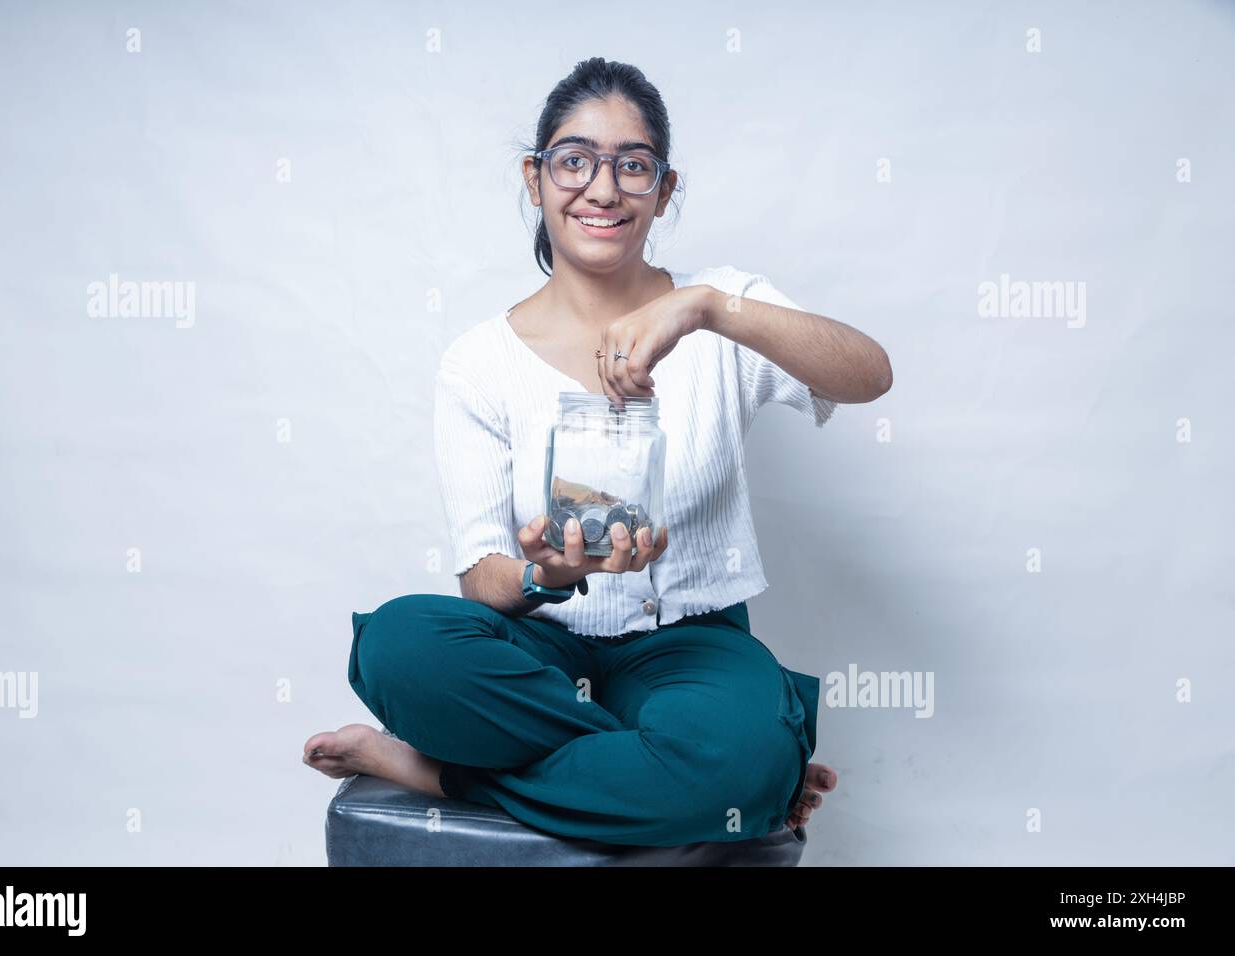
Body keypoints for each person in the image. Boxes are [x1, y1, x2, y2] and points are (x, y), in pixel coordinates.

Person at [304, 57, 891, 848]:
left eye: (633, 165)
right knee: (397, 648)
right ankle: (713, 762)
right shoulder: (478, 361)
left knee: (731, 756)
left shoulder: (718, 312)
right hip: (541, 650)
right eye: (574, 160)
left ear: (665, 188)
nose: (602, 189)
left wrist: (710, 309)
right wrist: (552, 572)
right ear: (535, 177)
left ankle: (438, 771)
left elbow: (868, 375)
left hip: (691, 646)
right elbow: (482, 582)